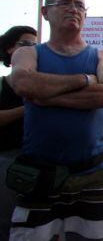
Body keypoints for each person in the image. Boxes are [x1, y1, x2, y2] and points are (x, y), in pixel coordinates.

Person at [9, 0, 103, 240]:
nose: (74, 9)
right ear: (45, 12)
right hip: (39, 172)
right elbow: (25, 84)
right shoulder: (28, 53)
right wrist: (84, 79)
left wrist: (45, 96)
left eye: (80, 5)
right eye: (66, 3)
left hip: (93, 171)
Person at [0, 25, 37, 240]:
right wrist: (29, 107)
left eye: (35, 45)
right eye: (25, 44)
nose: (31, 49)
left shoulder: (43, 84)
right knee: (7, 221)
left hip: (38, 160)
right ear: (9, 49)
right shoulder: (3, 86)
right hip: (7, 161)